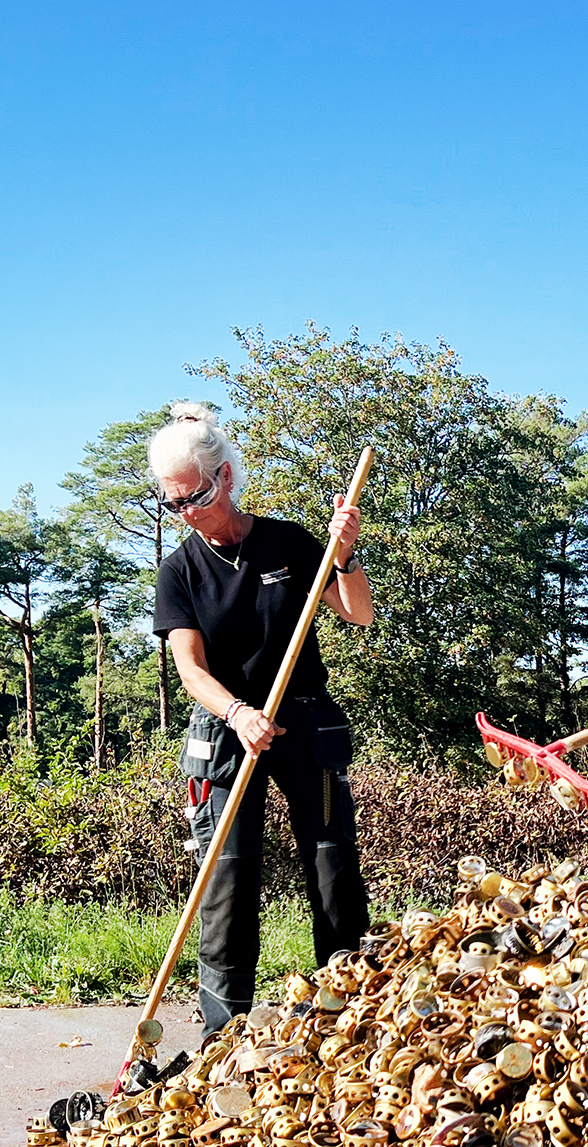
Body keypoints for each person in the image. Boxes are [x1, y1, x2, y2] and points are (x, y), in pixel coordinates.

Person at [148, 402, 374, 1040]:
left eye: (189, 498)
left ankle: (348, 1006)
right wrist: (238, 713)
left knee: (331, 860)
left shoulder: (290, 543)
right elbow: (190, 669)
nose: (182, 514)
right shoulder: (179, 571)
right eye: (169, 504)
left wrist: (347, 554)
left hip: (303, 722)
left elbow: (358, 614)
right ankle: (222, 1032)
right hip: (227, 729)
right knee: (229, 868)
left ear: (222, 479)